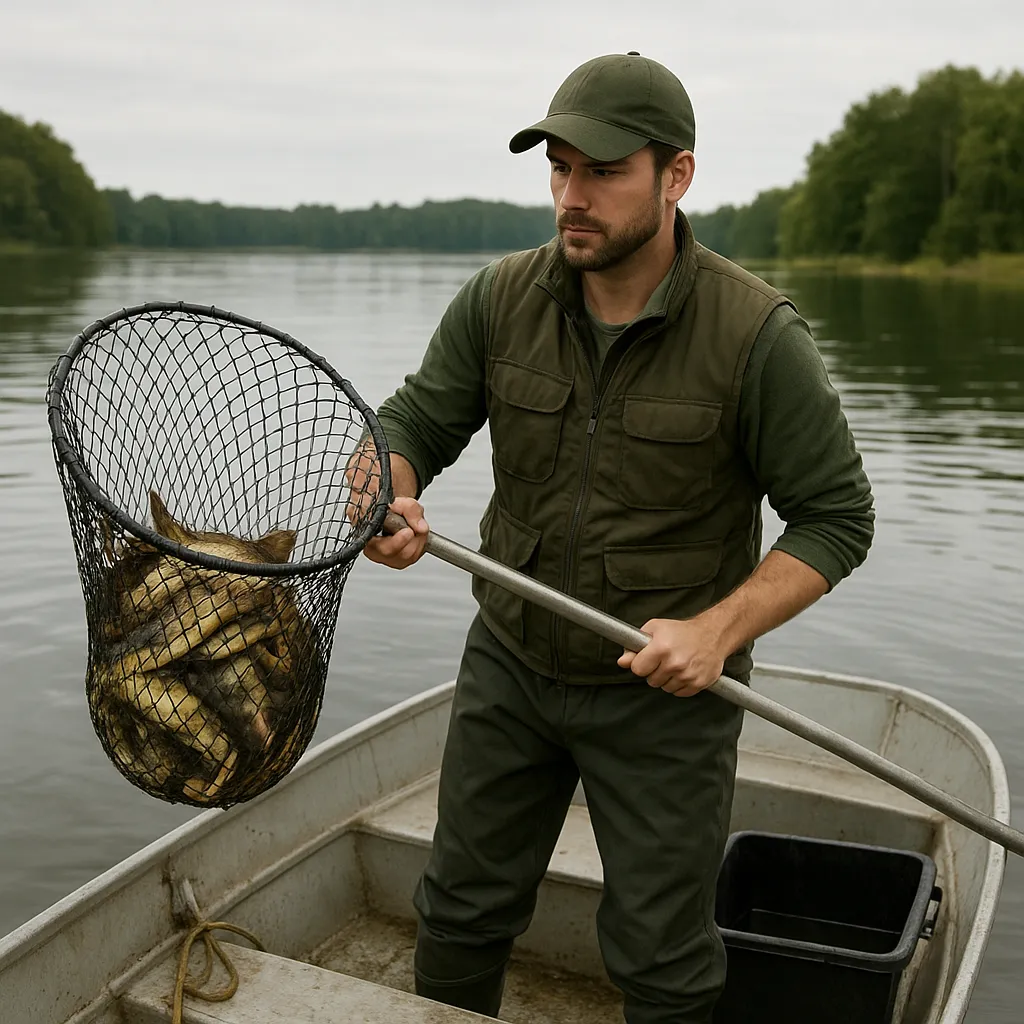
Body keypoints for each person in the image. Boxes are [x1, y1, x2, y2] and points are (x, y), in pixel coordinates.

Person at [352, 52, 874, 1024]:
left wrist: (717, 629)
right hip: (510, 661)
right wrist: (388, 493)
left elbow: (837, 518)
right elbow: (411, 424)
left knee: (661, 959)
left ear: (675, 176)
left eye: (601, 171)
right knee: (459, 911)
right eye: (558, 168)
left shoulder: (756, 334)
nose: (570, 197)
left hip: (663, 696)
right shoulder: (499, 298)